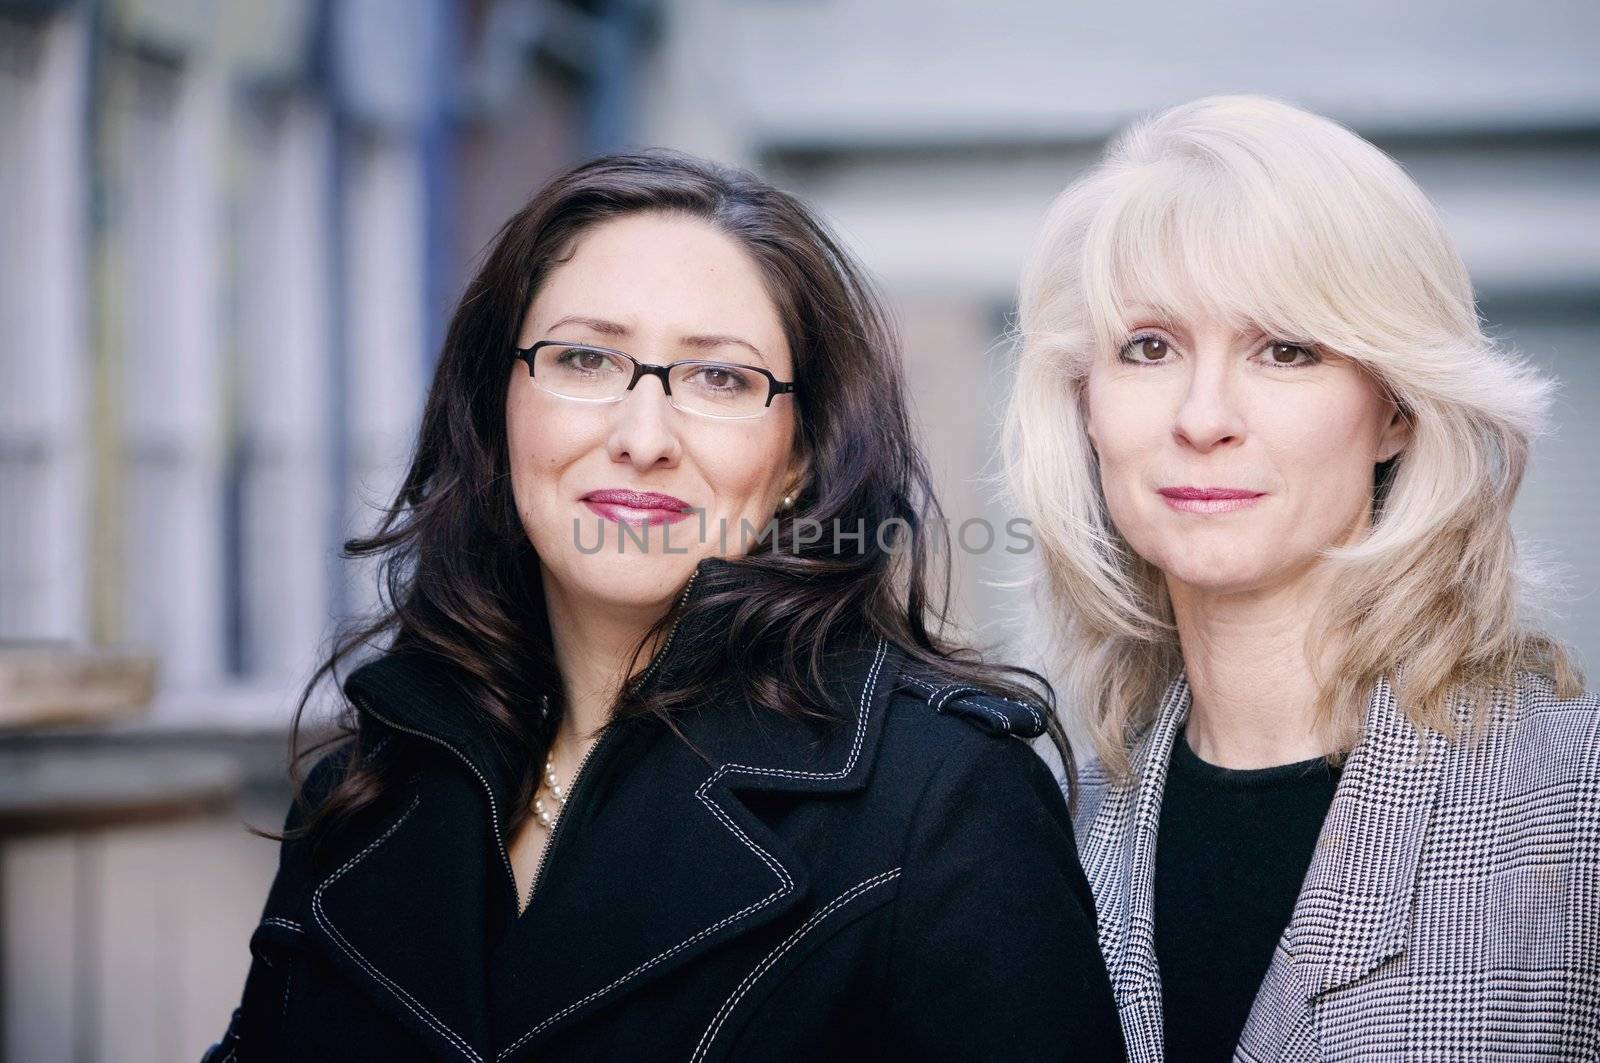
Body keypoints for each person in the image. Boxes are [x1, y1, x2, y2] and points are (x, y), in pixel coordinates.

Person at [205, 150, 1123, 1062]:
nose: (642, 437)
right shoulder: (371, 784)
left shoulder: (942, 799)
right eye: (585, 359)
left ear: (801, 457)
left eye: (719, 378)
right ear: (501, 408)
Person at [1005, 95, 1600, 1062]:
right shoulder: (1046, 824)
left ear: (1400, 408)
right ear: (1084, 404)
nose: (1203, 418)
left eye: (1286, 349)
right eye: (1148, 347)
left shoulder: (1575, 809)